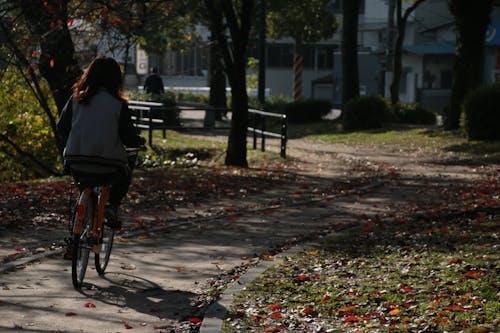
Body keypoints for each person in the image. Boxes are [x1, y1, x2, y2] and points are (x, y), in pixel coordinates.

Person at [57, 56, 146, 229]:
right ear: (116, 79)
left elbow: (62, 128)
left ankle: (80, 222)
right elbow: (129, 138)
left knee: (84, 182)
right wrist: (139, 141)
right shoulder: (117, 105)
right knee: (126, 168)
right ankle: (111, 205)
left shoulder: (75, 100)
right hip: (108, 165)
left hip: (75, 162)